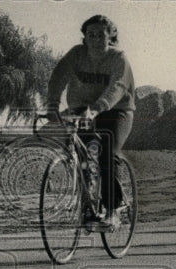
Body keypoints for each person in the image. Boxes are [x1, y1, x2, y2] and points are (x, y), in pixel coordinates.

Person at [46, 14, 136, 228]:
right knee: (82, 155)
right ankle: (88, 207)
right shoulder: (76, 54)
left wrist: (96, 109)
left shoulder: (118, 58)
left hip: (116, 111)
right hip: (81, 108)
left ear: (111, 36)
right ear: (84, 37)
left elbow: (117, 88)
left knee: (106, 153)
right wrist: (52, 104)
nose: (95, 39)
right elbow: (58, 77)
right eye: (90, 35)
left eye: (100, 35)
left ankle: (113, 210)